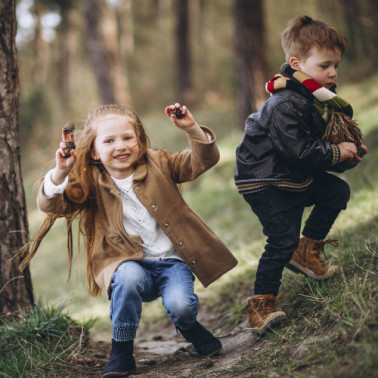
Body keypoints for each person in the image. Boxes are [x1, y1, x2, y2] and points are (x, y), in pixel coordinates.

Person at [20, 103, 237, 377]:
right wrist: (61, 172)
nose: (120, 146)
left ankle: (190, 327)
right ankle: (121, 352)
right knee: (129, 277)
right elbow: (51, 206)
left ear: (139, 140)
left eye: (127, 138)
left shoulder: (159, 163)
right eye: (109, 141)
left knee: (181, 305)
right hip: (127, 265)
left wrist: (191, 128)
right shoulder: (89, 183)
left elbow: (201, 162)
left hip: (172, 263)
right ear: (95, 151)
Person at [234, 15, 368, 335]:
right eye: (324, 66)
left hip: (290, 172)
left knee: (336, 192)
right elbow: (297, 151)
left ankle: (306, 251)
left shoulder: (316, 100)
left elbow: (310, 151)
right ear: (296, 63)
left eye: (336, 65)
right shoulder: (286, 102)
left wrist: (344, 155)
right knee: (281, 239)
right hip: (264, 179)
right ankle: (262, 304)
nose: (333, 72)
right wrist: (336, 153)